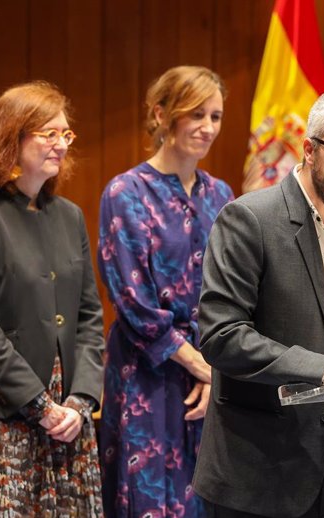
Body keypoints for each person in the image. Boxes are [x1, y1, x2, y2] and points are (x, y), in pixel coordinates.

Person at [193, 86, 324, 518]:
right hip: (257, 472)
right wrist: (322, 369)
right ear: (308, 149)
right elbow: (221, 336)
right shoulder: (250, 219)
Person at [0, 81, 105, 516]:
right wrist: (40, 404)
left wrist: (80, 401)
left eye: (65, 134)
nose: (60, 144)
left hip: (66, 423)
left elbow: (89, 317)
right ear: (13, 136)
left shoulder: (69, 217)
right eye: (48, 133)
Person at [98, 65, 234, 517]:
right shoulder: (126, 192)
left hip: (210, 374)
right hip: (147, 372)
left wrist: (215, 370)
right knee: (149, 502)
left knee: (208, 498)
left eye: (215, 116)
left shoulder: (221, 195)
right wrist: (199, 364)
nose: (208, 127)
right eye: (196, 114)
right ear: (161, 114)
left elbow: (234, 292)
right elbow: (132, 299)